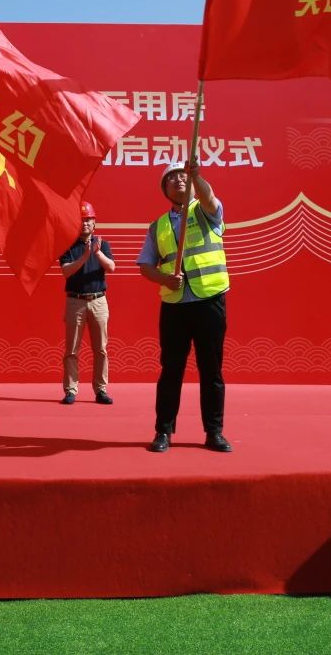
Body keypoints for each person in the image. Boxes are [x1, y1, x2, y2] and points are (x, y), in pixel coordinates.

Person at [136, 161, 232, 453]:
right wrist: (164, 278)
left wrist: (197, 176)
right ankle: (163, 431)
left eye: (182, 175)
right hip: (175, 306)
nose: (178, 180)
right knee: (171, 370)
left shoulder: (205, 210)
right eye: (171, 178)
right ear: (164, 189)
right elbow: (145, 266)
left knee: (211, 369)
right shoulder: (158, 226)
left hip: (209, 300)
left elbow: (208, 197)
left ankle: (214, 432)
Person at [58, 200, 116, 405]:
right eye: (82, 220)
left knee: (101, 349)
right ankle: (70, 390)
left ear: (94, 223)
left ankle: (101, 390)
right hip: (75, 301)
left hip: (98, 301)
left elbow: (111, 267)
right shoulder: (68, 245)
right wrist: (84, 257)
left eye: (88, 220)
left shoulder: (103, 244)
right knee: (72, 350)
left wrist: (97, 253)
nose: (85, 224)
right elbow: (66, 271)